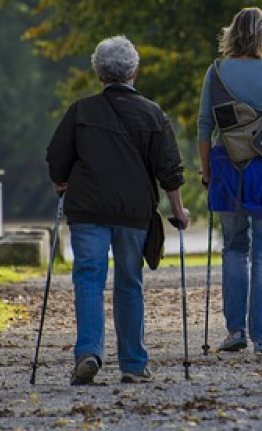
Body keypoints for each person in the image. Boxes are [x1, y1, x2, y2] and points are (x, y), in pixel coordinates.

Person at [46, 35, 190, 385]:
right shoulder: (153, 113)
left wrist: (61, 182)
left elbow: (56, 157)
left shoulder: (81, 111)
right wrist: (179, 210)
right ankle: (134, 364)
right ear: (134, 73)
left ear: (99, 74)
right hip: (133, 213)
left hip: (88, 212)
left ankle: (89, 353)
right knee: (129, 283)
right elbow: (169, 168)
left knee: (88, 281)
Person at [197, 7, 262, 355]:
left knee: (234, 247)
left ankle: (235, 330)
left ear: (232, 33)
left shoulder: (216, 73)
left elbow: (204, 127)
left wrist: (207, 171)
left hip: (228, 167)